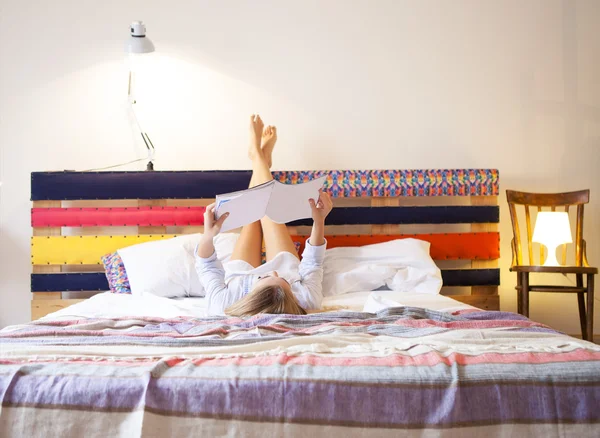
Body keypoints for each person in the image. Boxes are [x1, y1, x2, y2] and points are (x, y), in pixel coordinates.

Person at [195, 114, 333, 316]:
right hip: (286, 265)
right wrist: (319, 221)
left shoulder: (222, 304)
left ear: (250, 296)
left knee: (254, 212)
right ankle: (259, 159)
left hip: (239, 274)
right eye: (284, 281)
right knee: (268, 206)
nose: (272, 271)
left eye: (265, 278)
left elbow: (206, 265)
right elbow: (313, 262)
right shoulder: (305, 300)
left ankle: (257, 157)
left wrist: (208, 235)